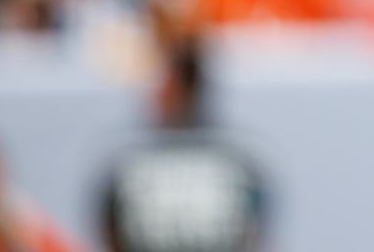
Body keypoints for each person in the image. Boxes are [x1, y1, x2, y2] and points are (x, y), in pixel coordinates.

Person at [99, 32, 268, 252]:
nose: (155, 95)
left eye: (164, 84)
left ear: (189, 88)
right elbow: (111, 230)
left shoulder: (235, 165)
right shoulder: (128, 163)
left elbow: (253, 231)